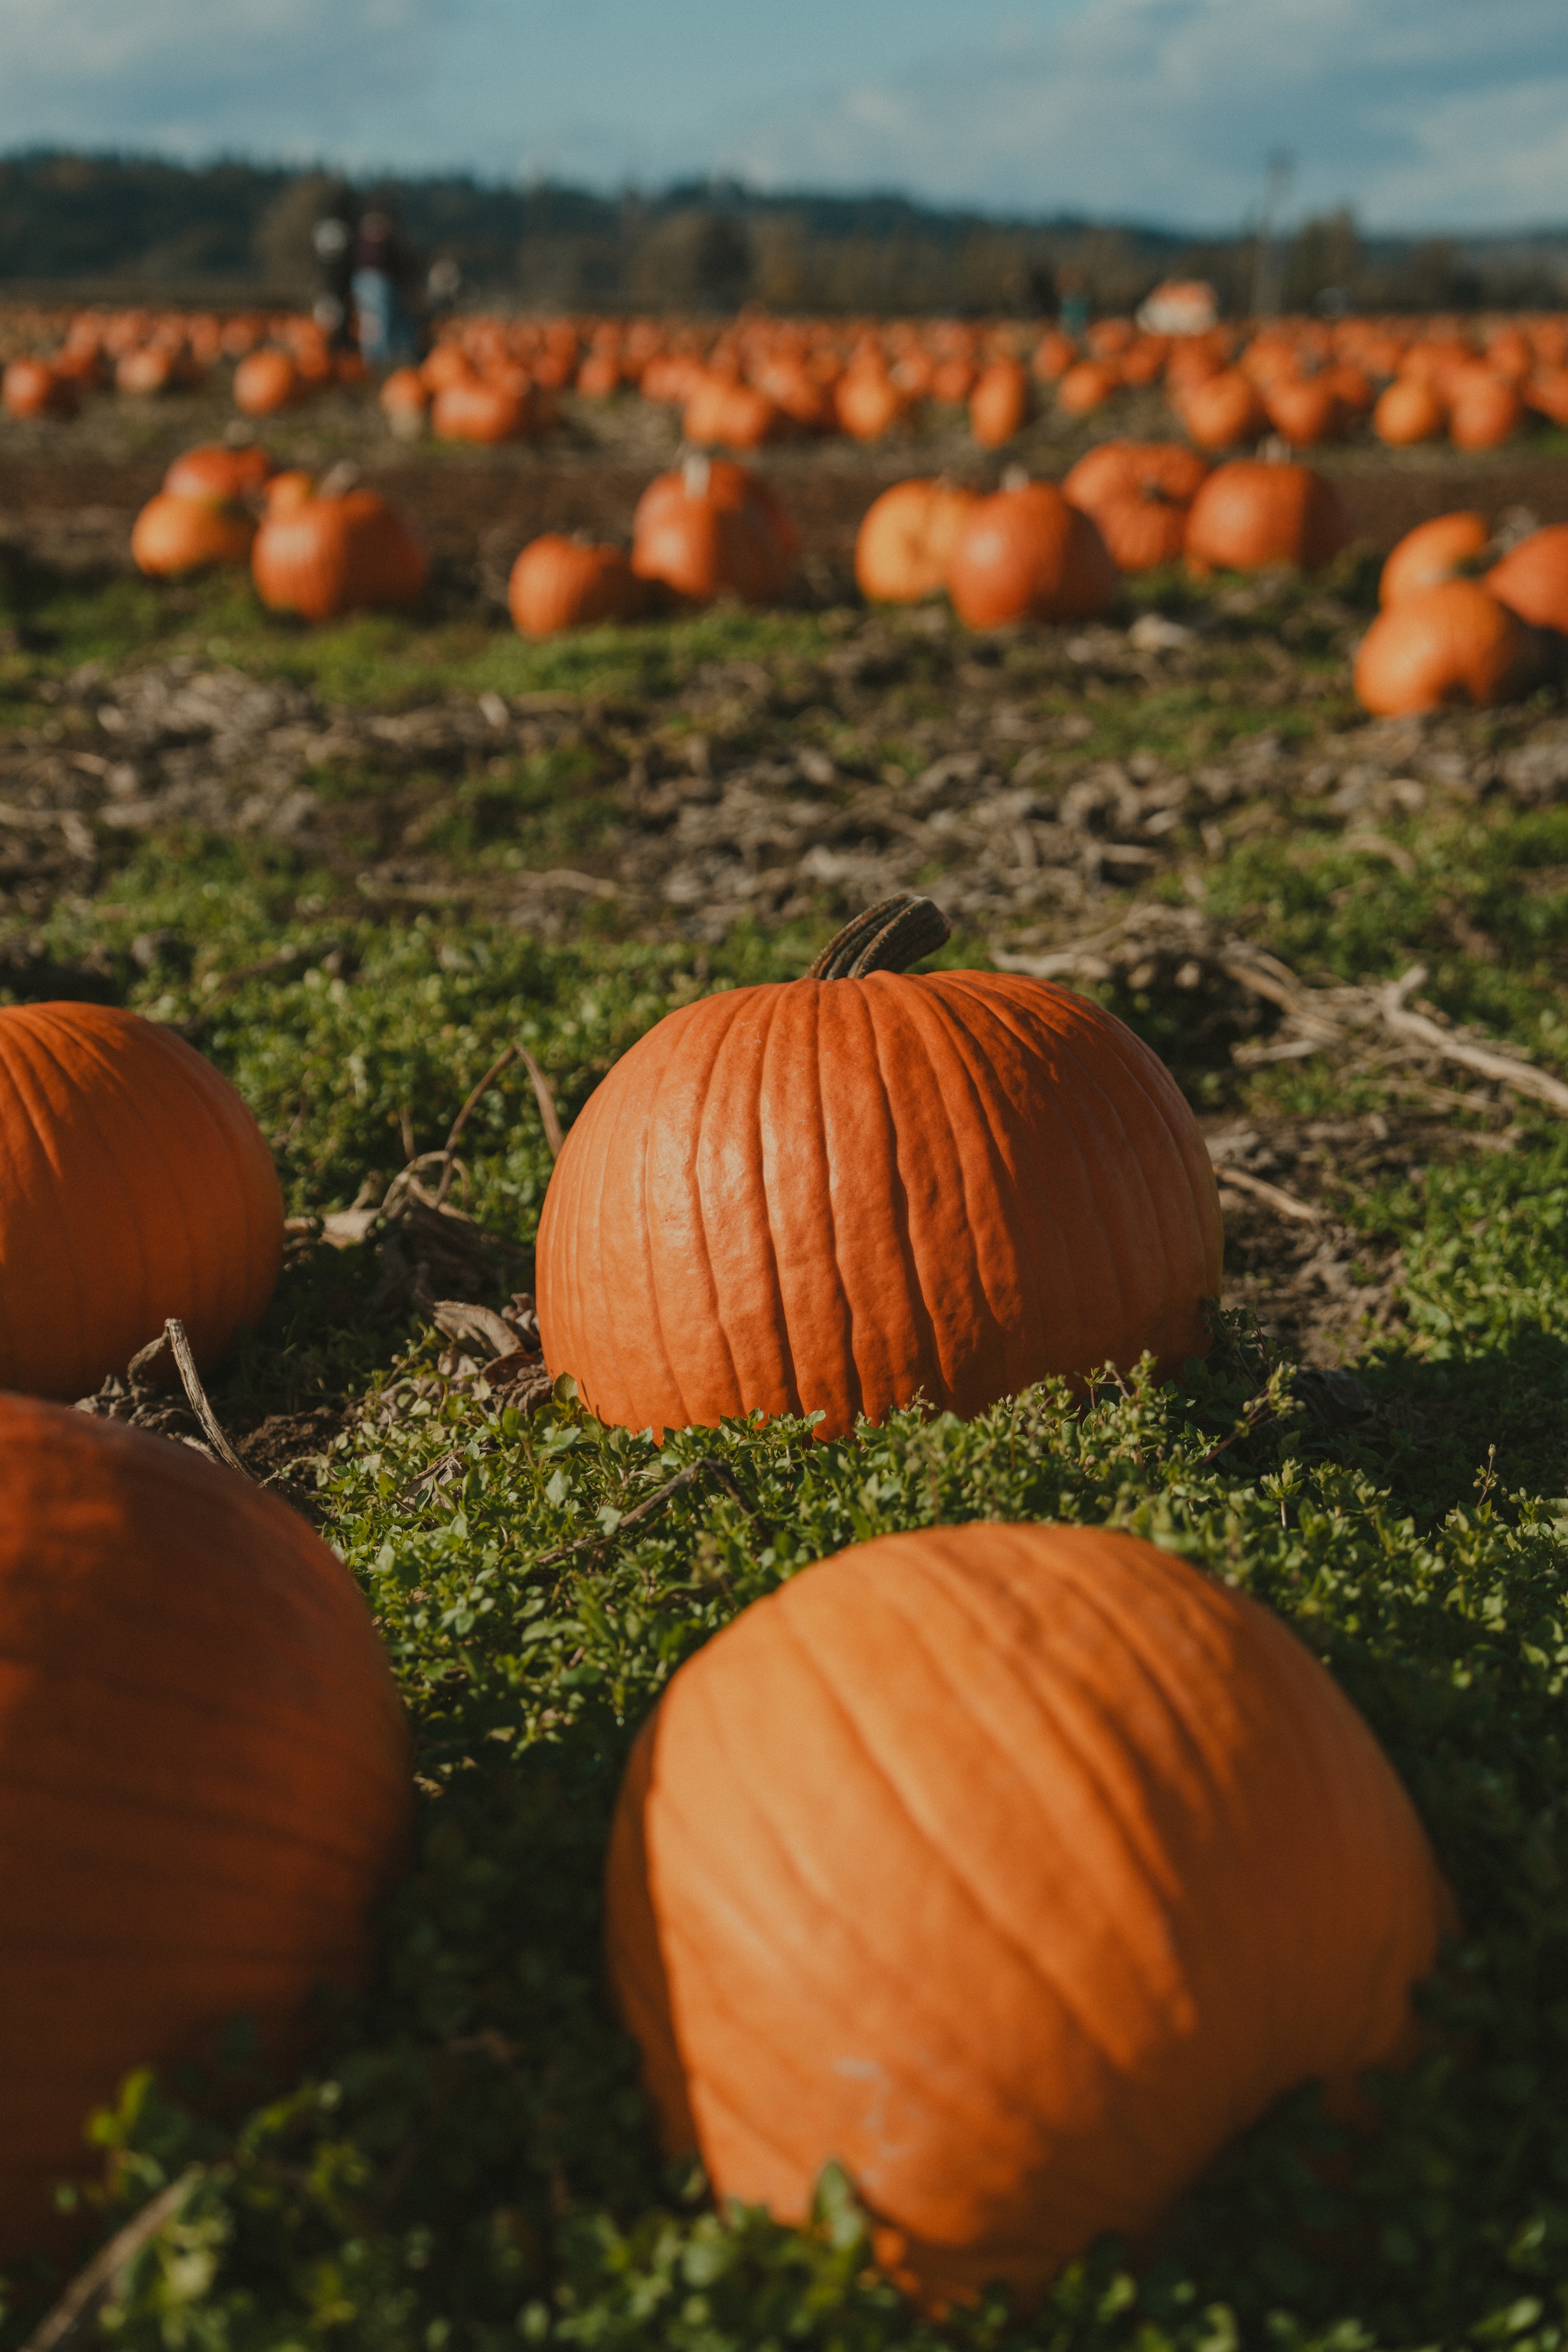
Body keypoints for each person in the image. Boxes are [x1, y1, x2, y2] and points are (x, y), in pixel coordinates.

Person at [351, 208, 419, 368]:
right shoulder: (385, 245)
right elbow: (398, 266)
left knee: (369, 320)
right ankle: (380, 358)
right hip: (378, 283)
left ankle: (371, 358)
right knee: (382, 320)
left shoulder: (360, 244)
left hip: (361, 282)